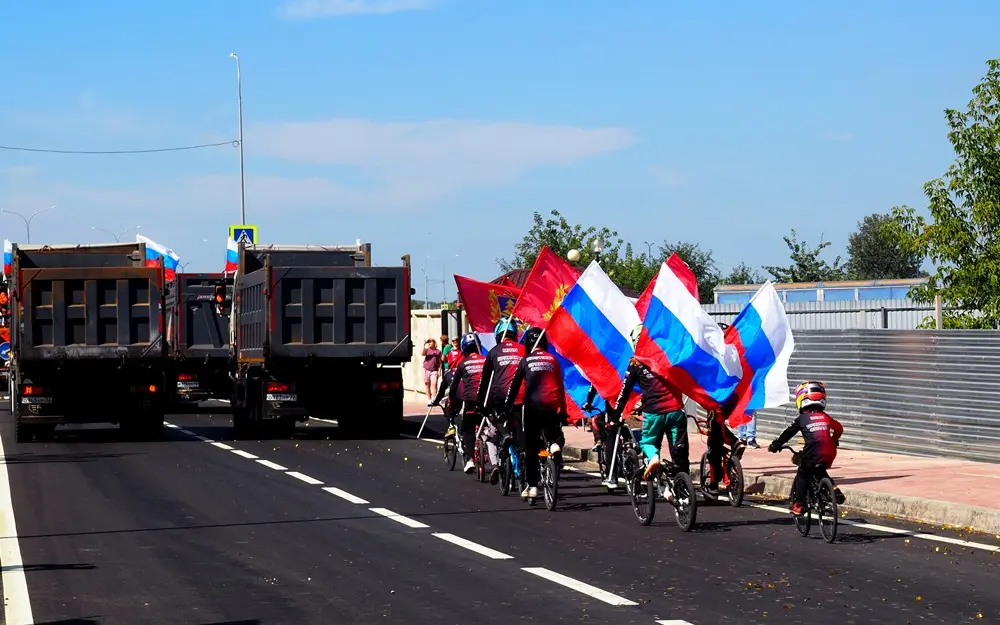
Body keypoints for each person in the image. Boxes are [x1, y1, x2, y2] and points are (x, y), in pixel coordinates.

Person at [612, 325, 689, 488]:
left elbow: (624, 392)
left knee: (648, 443)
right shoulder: (668, 355)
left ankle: (653, 457)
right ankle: (683, 491)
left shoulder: (635, 363)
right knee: (679, 453)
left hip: (654, 414)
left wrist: (615, 415)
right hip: (676, 412)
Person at [505, 327, 566, 500]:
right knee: (552, 433)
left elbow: (515, 386)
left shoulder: (525, 361)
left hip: (532, 407)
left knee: (531, 447)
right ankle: (554, 445)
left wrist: (507, 406)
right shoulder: (553, 359)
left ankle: (532, 486)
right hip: (552, 405)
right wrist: (563, 410)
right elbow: (560, 387)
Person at [768, 380, 847, 514]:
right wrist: (834, 440)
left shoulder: (802, 418)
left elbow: (788, 433)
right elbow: (839, 428)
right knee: (820, 470)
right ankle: (833, 488)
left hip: (812, 451)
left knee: (803, 474)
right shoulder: (825, 416)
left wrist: (776, 444)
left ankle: (799, 505)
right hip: (830, 451)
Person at [476, 316, 525, 484]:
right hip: (522, 397)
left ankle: (504, 436)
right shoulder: (524, 349)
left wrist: (480, 404)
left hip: (500, 397)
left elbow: (484, 381)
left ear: (498, 334)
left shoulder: (494, 352)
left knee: (495, 417)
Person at [448, 333, 486, 473]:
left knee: (467, 430)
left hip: (470, 402)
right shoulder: (486, 360)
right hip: (486, 403)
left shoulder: (462, 364)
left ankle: (469, 460)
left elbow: (454, 387)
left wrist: (452, 403)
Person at [704, 406, 744, 496]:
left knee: (713, 453)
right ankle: (735, 443)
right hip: (725, 408)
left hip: (716, 412)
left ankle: (714, 484)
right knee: (722, 432)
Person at [421, 338, 443, 406]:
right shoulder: (427, 350)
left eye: (431, 342)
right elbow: (422, 353)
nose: (429, 343)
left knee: (434, 384)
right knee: (427, 384)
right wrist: (424, 344)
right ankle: (429, 399)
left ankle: (434, 398)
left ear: (434, 343)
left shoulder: (438, 352)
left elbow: (440, 362)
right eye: (429, 342)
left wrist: (440, 370)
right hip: (426, 369)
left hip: (434, 370)